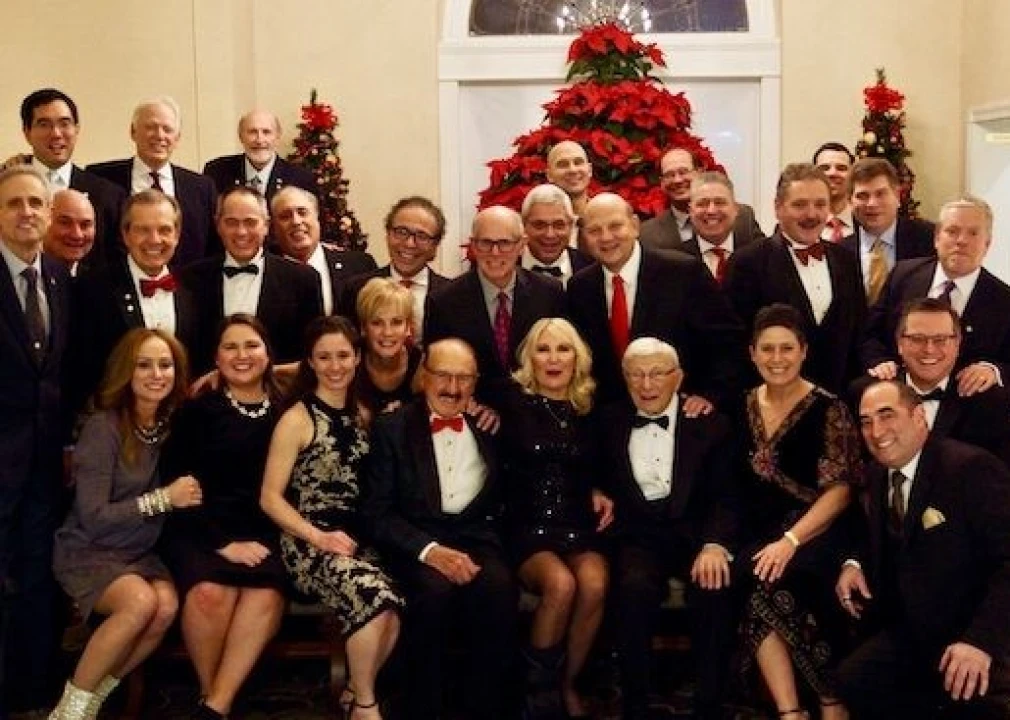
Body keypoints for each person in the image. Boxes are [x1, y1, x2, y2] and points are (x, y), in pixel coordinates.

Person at [49, 328, 202, 720]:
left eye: (165, 365)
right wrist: (163, 499)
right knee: (140, 603)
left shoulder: (169, 424)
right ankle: (69, 712)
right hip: (89, 549)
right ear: (125, 372)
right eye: (144, 365)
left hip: (139, 552)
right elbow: (94, 518)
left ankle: (93, 699)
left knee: (165, 607)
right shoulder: (103, 427)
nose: (157, 374)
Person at [364, 339, 517, 720]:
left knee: (499, 588)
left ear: (475, 382)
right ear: (424, 377)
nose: (452, 387)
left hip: (475, 537)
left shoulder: (489, 425)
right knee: (433, 593)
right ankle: (422, 708)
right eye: (443, 375)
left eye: (463, 377)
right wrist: (429, 550)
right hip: (415, 542)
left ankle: (485, 709)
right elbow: (377, 514)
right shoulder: (392, 428)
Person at [836, 380, 1010, 718]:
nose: (876, 431)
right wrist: (854, 563)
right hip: (914, 631)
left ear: (919, 417)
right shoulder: (878, 473)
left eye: (887, 415)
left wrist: (980, 642)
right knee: (854, 680)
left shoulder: (971, 468)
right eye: (867, 421)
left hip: (973, 630)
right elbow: (878, 536)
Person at [261, 316, 401, 720]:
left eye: (343, 355)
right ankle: (366, 706)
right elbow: (269, 499)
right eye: (324, 357)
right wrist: (318, 537)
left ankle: (354, 691)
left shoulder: (364, 413)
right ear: (310, 361)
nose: (335, 366)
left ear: (357, 357)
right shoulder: (297, 419)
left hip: (356, 540)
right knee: (375, 599)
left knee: (396, 603)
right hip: (308, 543)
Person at [598, 337, 741, 720]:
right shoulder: (608, 421)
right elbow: (587, 469)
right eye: (636, 375)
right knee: (632, 589)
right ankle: (635, 703)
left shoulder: (711, 424)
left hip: (696, 535)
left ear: (678, 378)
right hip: (638, 536)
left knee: (714, 586)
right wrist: (593, 490)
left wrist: (715, 544)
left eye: (657, 374)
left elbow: (727, 495)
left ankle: (710, 703)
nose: (646, 385)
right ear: (625, 378)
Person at [735, 304, 863, 720]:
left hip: (818, 530)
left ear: (804, 351)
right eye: (767, 349)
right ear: (752, 353)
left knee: (773, 580)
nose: (777, 358)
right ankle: (791, 711)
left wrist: (790, 541)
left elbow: (840, 492)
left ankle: (830, 700)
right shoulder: (741, 405)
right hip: (759, 531)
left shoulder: (830, 408)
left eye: (787, 348)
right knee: (754, 573)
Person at [160, 315, 287, 719]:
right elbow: (177, 485)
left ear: (268, 354)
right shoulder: (197, 411)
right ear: (216, 358)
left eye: (251, 345)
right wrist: (222, 543)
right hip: (200, 526)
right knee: (209, 594)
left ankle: (215, 706)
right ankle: (211, 691)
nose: (241, 355)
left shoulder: (288, 410)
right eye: (230, 347)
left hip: (267, 530)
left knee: (264, 595)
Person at [493, 317, 611, 718]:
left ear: (578, 358)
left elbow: (602, 465)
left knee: (594, 582)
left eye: (563, 349)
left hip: (577, 522)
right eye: (543, 350)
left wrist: (600, 490)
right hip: (525, 525)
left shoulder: (590, 407)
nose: (554, 359)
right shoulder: (509, 402)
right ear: (530, 358)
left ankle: (568, 683)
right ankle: (536, 695)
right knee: (560, 584)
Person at [0, 166, 71, 718]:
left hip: (46, 463)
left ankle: (33, 691)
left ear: (49, 213)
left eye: (35, 203)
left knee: (36, 575)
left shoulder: (60, 279)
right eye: (13, 203)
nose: (26, 212)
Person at [567, 192, 745, 409]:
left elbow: (728, 341)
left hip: (682, 413)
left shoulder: (683, 272)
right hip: (609, 419)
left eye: (615, 226)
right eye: (594, 230)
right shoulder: (580, 287)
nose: (606, 237)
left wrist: (710, 395)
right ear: (583, 236)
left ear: (634, 226)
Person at [724, 163, 866, 395]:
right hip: (772, 401)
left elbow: (858, 332)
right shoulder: (747, 262)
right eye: (800, 205)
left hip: (839, 400)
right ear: (777, 208)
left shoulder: (846, 260)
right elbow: (735, 342)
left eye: (820, 204)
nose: (811, 214)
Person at [67, 191, 202, 422]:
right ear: (125, 234)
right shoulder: (92, 288)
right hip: (112, 423)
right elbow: (80, 367)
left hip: (179, 424)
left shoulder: (195, 288)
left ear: (177, 235)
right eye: (143, 230)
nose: (155, 240)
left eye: (164, 230)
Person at [862, 194, 1010, 396]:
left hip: (965, 404)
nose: (961, 241)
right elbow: (871, 333)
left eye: (973, 233)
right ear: (937, 238)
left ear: (987, 244)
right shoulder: (903, 276)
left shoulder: (1003, 300)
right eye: (952, 231)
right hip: (898, 395)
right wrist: (879, 361)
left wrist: (993, 369)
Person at [850, 298, 1010, 466]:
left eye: (940, 339)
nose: (929, 349)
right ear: (900, 344)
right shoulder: (864, 393)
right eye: (917, 339)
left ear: (957, 344)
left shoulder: (991, 402)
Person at [423, 205, 566, 394]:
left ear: (522, 245)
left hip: (535, 403)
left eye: (505, 243)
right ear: (473, 245)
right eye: (486, 243)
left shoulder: (549, 293)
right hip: (473, 406)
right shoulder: (443, 301)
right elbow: (436, 370)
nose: (495, 252)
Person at [181, 186, 323, 373]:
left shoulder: (302, 280)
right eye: (231, 222)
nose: (241, 232)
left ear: (266, 225)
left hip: (280, 390)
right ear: (218, 225)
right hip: (209, 390)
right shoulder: (191, 279)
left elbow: (313, 353)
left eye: (250, 222)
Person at [87, 96, 218, 266]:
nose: (159, 135)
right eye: (150, 127)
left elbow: (211, 251)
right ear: (133, 132)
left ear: (177, 138)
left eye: (167, 129)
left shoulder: (202, 189)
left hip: (184, 282)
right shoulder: (100, 179)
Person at [13, 88, 125, 263]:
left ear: (76, 129)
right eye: (44, 124)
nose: (56, 134)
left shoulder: (108, 195)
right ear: (27, 132)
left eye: (64, 124)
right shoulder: (7, 187)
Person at [339, 196, 450, 341]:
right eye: (401, 232)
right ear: (388, 235)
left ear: (435, 246)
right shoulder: (357, 289)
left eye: (422, 236)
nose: (410, 244)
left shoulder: (450, 295)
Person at [270, 186, 376, 316]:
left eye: (302, 212)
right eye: (285, 216)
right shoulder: (266, 275)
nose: (296, 221)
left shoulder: (360, 266)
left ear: (317, 217)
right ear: (273, 227)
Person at [841, 158, 935, 303]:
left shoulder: (928, 239)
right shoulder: (841, 252)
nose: (872, 204)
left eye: (880, 194)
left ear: (897, 196)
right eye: (862, 196)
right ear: (850, 202)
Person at [639, 146, 763, 250]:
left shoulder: (743, 217)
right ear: (661, 182)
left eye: (683, 172)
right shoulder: (648, 234)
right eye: (669, 175)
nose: (677, 180)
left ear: (699, 172)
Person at [202, 109, 317, 205]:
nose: (259, 140)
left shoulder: (300, 179)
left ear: (277, 137)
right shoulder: (216, 171)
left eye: (266, 132)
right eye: (252, 132)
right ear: (241, 137)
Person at [354, 277, 422, 416]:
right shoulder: (349, 361)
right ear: (363, 328)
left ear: (408, 327)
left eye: (396, 322)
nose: (387, 332)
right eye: (377, 323)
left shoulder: (422, 365)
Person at [676, 171, 758, 285]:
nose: (711, 211)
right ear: (690, 211)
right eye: (702, 204)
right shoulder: (676, 262)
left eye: (720, 202)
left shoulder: (757, 257)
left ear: (735, 209)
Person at [519, 183, 593, 286]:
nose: (550, 234)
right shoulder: (507, 266)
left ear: (571, 226)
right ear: (523, 226)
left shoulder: (591, 269)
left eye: (559, 225)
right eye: (540, 225)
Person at [43, 189, 97, 277]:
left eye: (85, 225)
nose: (77, 235)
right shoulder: (31, 278)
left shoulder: (98, 281)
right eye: (65, 223)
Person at [811, 142, 855, 243]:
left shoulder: (867, 223)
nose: (833, 173)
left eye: (841, 168)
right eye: (824, 168)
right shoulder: (800, 224)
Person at [545, 140, 593, 218]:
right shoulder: (540, 220)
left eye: (578, 162)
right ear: (549, 175)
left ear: (590, 170)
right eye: (563, 164)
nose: (572, 170)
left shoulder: (606, 216)